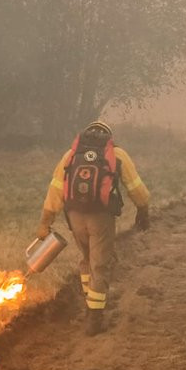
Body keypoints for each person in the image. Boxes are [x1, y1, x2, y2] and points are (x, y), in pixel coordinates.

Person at [35, 121, 151, 336]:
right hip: (101, 218)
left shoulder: (70, 155)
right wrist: (143, 209)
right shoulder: (117, 155)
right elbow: (137, 188)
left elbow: (55, 190)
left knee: (87, 259)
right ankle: (94, 319)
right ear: (108, 137)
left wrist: (45, 222)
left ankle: (90, 306)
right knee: (100, 265)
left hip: (75, 216)